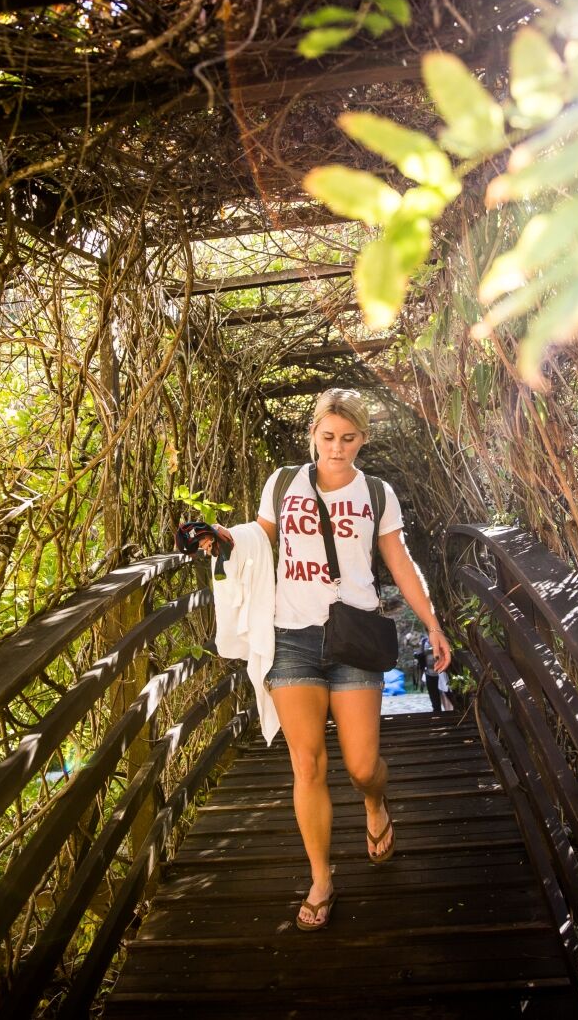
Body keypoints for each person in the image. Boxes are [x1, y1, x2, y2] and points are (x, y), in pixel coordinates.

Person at [199, 388, 450, 931]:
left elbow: (399, 561)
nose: (337, 448)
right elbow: (259, 539)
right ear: (313, 433)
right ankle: (320, 879)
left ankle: (375, 804)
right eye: (329, 436)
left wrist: (431, 623)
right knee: (307, 764)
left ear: (363, 438)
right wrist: (222, 537)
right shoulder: (283, 482)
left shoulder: (377, 493)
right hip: (291, 635)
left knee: (362, 767)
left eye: (349, 438)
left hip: (353, 634)